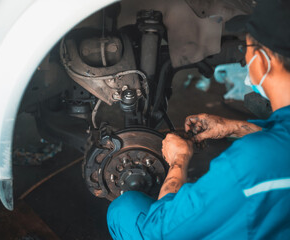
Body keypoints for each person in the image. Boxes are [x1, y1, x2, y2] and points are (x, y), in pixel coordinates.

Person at [107, 0, 290, 239]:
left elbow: (161, 230)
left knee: (125, 210)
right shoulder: (272, 152)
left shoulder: (249, 163)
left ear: (263, 60)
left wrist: (179, 161)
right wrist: (232, 127)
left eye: (247, 45)